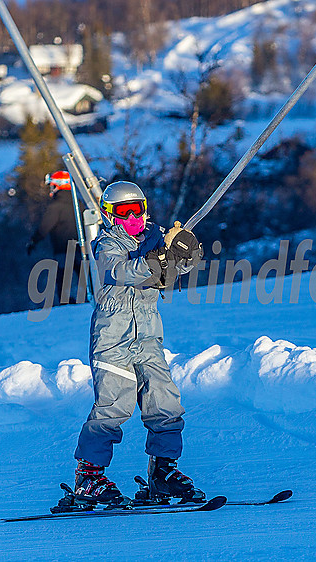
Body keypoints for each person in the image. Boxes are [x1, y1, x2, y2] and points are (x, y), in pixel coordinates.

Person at [72, 180, 204, 506]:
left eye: (138, 209)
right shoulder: (106, 244)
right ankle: (89, 477)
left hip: (147, 336)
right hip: (112, 339)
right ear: (109, 215)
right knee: (114, 406)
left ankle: (164, 472)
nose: (133, 217)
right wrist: (159, 257)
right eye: (123, 211)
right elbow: (124, 271)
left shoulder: (155, 236)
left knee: (165, 402)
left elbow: (175, 269)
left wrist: (184, 251)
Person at [26, 171, 81, 302]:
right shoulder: (79, 204)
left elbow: (44, 228)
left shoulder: (56, 207)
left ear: (58, 186)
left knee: (63, 284)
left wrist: (33, 241)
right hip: (81, 249)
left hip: (63, 250)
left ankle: (68, 305)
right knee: (85, 278)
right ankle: (86, 300)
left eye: (52, 185)